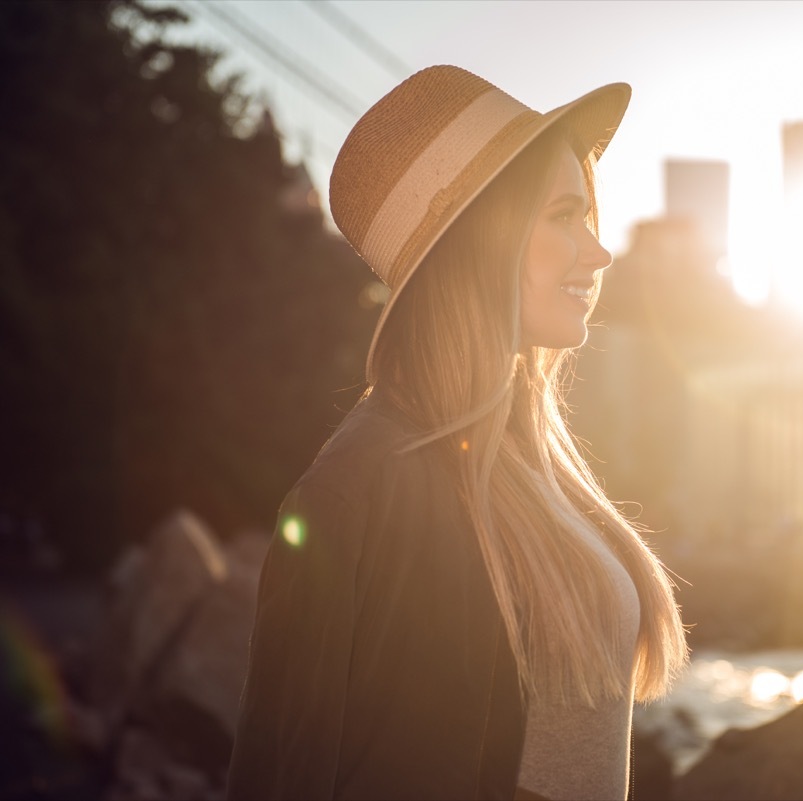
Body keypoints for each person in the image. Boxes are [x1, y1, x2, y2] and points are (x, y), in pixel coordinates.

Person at [226, 65, 689, 801]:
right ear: (484, 237)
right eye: (565, 216)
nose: (598, 254)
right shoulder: (360, 486)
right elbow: (283, 773)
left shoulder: (529, 458)